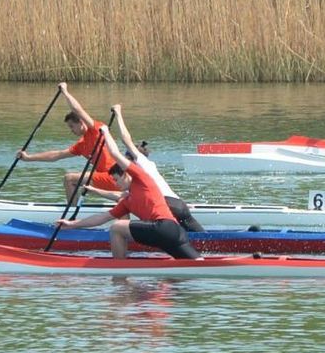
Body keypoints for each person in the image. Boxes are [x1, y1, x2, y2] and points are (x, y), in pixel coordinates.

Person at [56, 124, 202, 260]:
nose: (115, 183)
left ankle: (119, 268)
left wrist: (106, 132)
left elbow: (114, 153)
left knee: (116, 228)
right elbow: (102, 218)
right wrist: (72, 224)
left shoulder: (141, 178)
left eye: (116, 179)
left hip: (165, 227)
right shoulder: (126, 201)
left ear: (126, 175)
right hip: (175, 233)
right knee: (198, 264)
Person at [82, 104, 205, 232]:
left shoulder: (142, 164)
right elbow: (121, 196)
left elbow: (126, 140)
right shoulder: (137, 179)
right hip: (179, 205)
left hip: (168, 206)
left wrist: (117, 115)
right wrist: (94, 190)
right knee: (202, 238)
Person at [15, 82, 119, 199]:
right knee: (74, 180)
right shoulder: (81, 144)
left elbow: (77, 109)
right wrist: (28, 158)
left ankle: (73, 213)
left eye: (71, 126)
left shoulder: (96, 129)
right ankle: (76, 208)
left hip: (115, 176)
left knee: (69, 178)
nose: (71, 130)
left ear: (81, 122)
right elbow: (56, 155)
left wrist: (65, 91)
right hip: (107, 178)